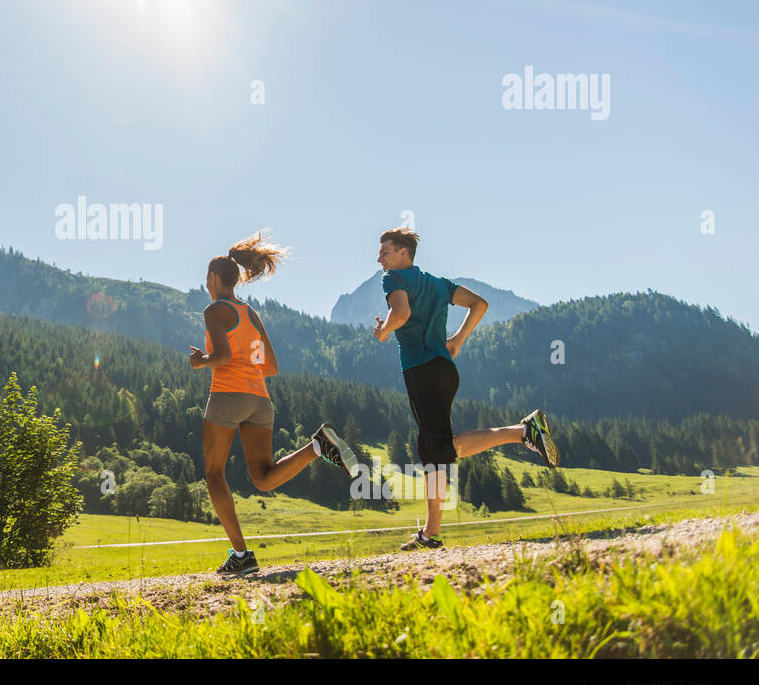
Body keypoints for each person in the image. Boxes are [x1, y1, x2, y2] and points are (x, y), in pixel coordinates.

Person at [372, 227, 558, 551]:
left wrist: (384, 331)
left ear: (404, 253)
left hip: (421, 371)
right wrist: (457, 340)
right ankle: (430, 534)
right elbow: (480, 304)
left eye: (385, 252)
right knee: (433, 450)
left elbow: (400, 313)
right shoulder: (438, 284)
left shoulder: (394, 279)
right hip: (445, 370)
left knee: (441, 449)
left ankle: (523, 431)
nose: (379, 258)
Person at [190, 230, 358, 577]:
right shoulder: (251, 314)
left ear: (212, 278)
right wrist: (245, 370)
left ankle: (241, 554)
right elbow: (272, 366)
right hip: (259, 400)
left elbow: (220, 356)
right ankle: (316, 446)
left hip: (227, 395)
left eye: (206, 279)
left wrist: (200, 361)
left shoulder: (214, 310)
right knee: (263, 478)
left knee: (213, 472)